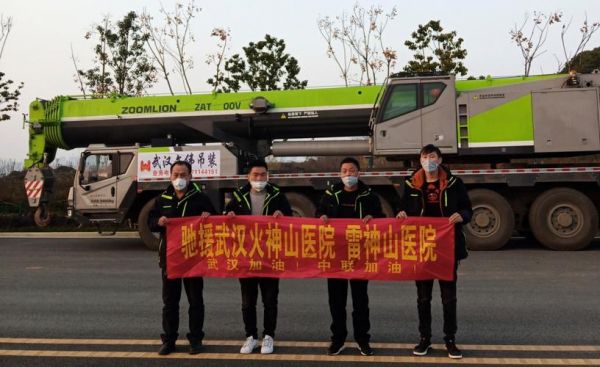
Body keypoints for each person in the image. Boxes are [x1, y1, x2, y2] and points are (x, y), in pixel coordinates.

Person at [396, 144, 472, 359]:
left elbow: (468, 209)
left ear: (439, 160)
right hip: (421, 248)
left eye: (432, 156)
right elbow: (400, 208)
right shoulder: (411, 184)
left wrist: (462, 216)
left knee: (449, 298)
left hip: (447, 247)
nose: (428, 160)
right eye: (424, 156)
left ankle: (450, 340)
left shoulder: (455, 184)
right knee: (423, 298)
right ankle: (424, 339)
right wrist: (400, 214)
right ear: (419, 160)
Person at [316, 157, 383, 356]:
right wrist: (321, 217)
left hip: (360, 255)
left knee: (360, 301)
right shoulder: (330, 194)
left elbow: (381, 218)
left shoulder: (369, 195)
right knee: (336, 301)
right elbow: (318, 213)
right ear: (339, 174)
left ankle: (363, 340)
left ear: (358, 173)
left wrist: (373, 218)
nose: (348, 175)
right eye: (344, 171)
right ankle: (338, 340)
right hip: (335, 255)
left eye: (352, 171)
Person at [225, 159, 292, 355]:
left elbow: (291, 221)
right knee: (248, 300)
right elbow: (224, 219)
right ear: (248, 177)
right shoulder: (238, 197)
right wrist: (228, 215)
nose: (259, 178)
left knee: (270, 299)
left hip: (270, 255)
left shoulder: (277, 196)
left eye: (263, 175)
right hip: (246, 256)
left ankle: (269, 336)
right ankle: (251, 337)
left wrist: (283, 215)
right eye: (255, 175)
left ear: (268, 176)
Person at [150, 160, 216, 356]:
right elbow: (150, 222)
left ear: (190, 177)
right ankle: (169, 340)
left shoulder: (200, 198)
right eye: (176, 174)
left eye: (183, 174)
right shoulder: (162, 199)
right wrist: (158, 222)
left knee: (195, 301)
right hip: (170, 259)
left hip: (193, 259)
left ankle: (195, 340)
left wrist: (208, 216)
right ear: (170, 176)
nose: (179, 178)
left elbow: (216, 220)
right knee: (170, 302)